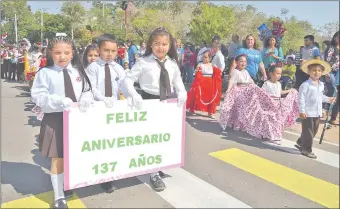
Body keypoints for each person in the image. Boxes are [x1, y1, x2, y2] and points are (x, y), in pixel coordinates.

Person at [31, 36, 93, 208]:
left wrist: (87, 98)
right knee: (58, 158)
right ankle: (59, 197)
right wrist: (59, 100)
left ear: (73, 53)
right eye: (58, 53)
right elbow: (38, 96)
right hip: (56, 118)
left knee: (75, 154)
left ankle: (68, 184)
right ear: (50, 53)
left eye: (66, 52)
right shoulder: (45, 73)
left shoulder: (79, 72)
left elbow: (87, 89)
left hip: (77, 118)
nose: (62, 56)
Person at [121, 27, 187, 192]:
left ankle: (156, 165)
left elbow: (177, 80)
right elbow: (127, 80)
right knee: (150, 138)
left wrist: (182, 92)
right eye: (157, 43)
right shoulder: (144, 62)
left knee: (162, 137)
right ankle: (153, 174)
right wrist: (134, 94)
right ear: (150, 45)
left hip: (167, 103)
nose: (160, 47)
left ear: (169, 45)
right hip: (148, 101)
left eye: (164, 44)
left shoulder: (172, 63)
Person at [220, 54, 299, 143]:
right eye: (241, 61)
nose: (243, 63)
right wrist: (228, 90)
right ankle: (237, 124)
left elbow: (251, 82)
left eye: (245, 61)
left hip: (249, 92)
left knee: (246, 109)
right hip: (239, 92)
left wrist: (256, 87)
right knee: (239, 109)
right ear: (237, 62)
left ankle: (271, 133)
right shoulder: (236, 71)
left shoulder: (246, 72)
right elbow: (232, 80)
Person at [86, 34, 127, 193]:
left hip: (115, 110)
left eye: (113, 50)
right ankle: (103, 176)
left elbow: (125, 85)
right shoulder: (93, 67)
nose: (109, 54)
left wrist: (133, 97)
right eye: (106, 50)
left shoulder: (118, 68)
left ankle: (111, 173)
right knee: (100, 143)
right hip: (99, 109)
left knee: (113, 143)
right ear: (99, 50)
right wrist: (103, 99)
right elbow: (92, 87)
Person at [294, 59, 336, 159]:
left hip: (317, 112)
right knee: (308, 132)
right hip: (307, 113)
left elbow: (320, 96)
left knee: (314, 131)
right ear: (308, 72)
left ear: (321, 73)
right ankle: (306, 150)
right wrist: (302, 111)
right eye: (314, 70)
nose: (316, 72)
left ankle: (301, 141)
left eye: (319, 70)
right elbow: (301, 99)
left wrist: (328, 99)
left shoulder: (321, 85)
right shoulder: (305, 85)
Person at [186, 50, 222, 118]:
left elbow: (218, 73)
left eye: (206, 57)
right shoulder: (200, 64)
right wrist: (197, 71)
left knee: (211, 97)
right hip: (201, 82)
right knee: (196, 95)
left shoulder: (212, 65)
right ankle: (192, 109)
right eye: (203, 57)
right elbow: (195, 73)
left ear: (210, 58)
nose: (204, 58)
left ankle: (210, 112)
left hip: (210, 83)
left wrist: (218, 71)